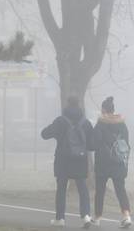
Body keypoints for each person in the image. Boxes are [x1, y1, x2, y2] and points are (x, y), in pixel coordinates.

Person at [41, 96, 93, 229]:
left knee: (61, 189)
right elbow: (92, 144)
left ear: (67, 104)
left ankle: (60, 218)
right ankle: (86, 215)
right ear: (79, 105)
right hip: (80, 160)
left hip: (63, 160)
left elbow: (44, 134)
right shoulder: (85, 122)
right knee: (82, 188)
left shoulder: (60, 121)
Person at [92, 97, 132, 228]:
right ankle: (126, 216)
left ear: (103, 110)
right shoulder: (122, 124)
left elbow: (94, 143)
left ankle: (97, 218)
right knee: (120, 190)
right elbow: (126, 144)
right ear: (113, 110)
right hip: (119, 162)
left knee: (100, 191)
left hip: (103, 163)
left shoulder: (101, 124)